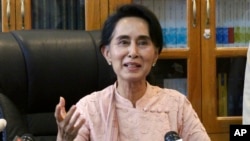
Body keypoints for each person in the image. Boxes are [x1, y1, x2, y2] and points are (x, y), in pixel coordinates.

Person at [54, 3, 211, 141]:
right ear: (107, 53)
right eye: (123, 42)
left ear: (155, 55)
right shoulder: (89, 108)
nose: (133, 52)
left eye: (143, 43)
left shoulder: (177, 105)